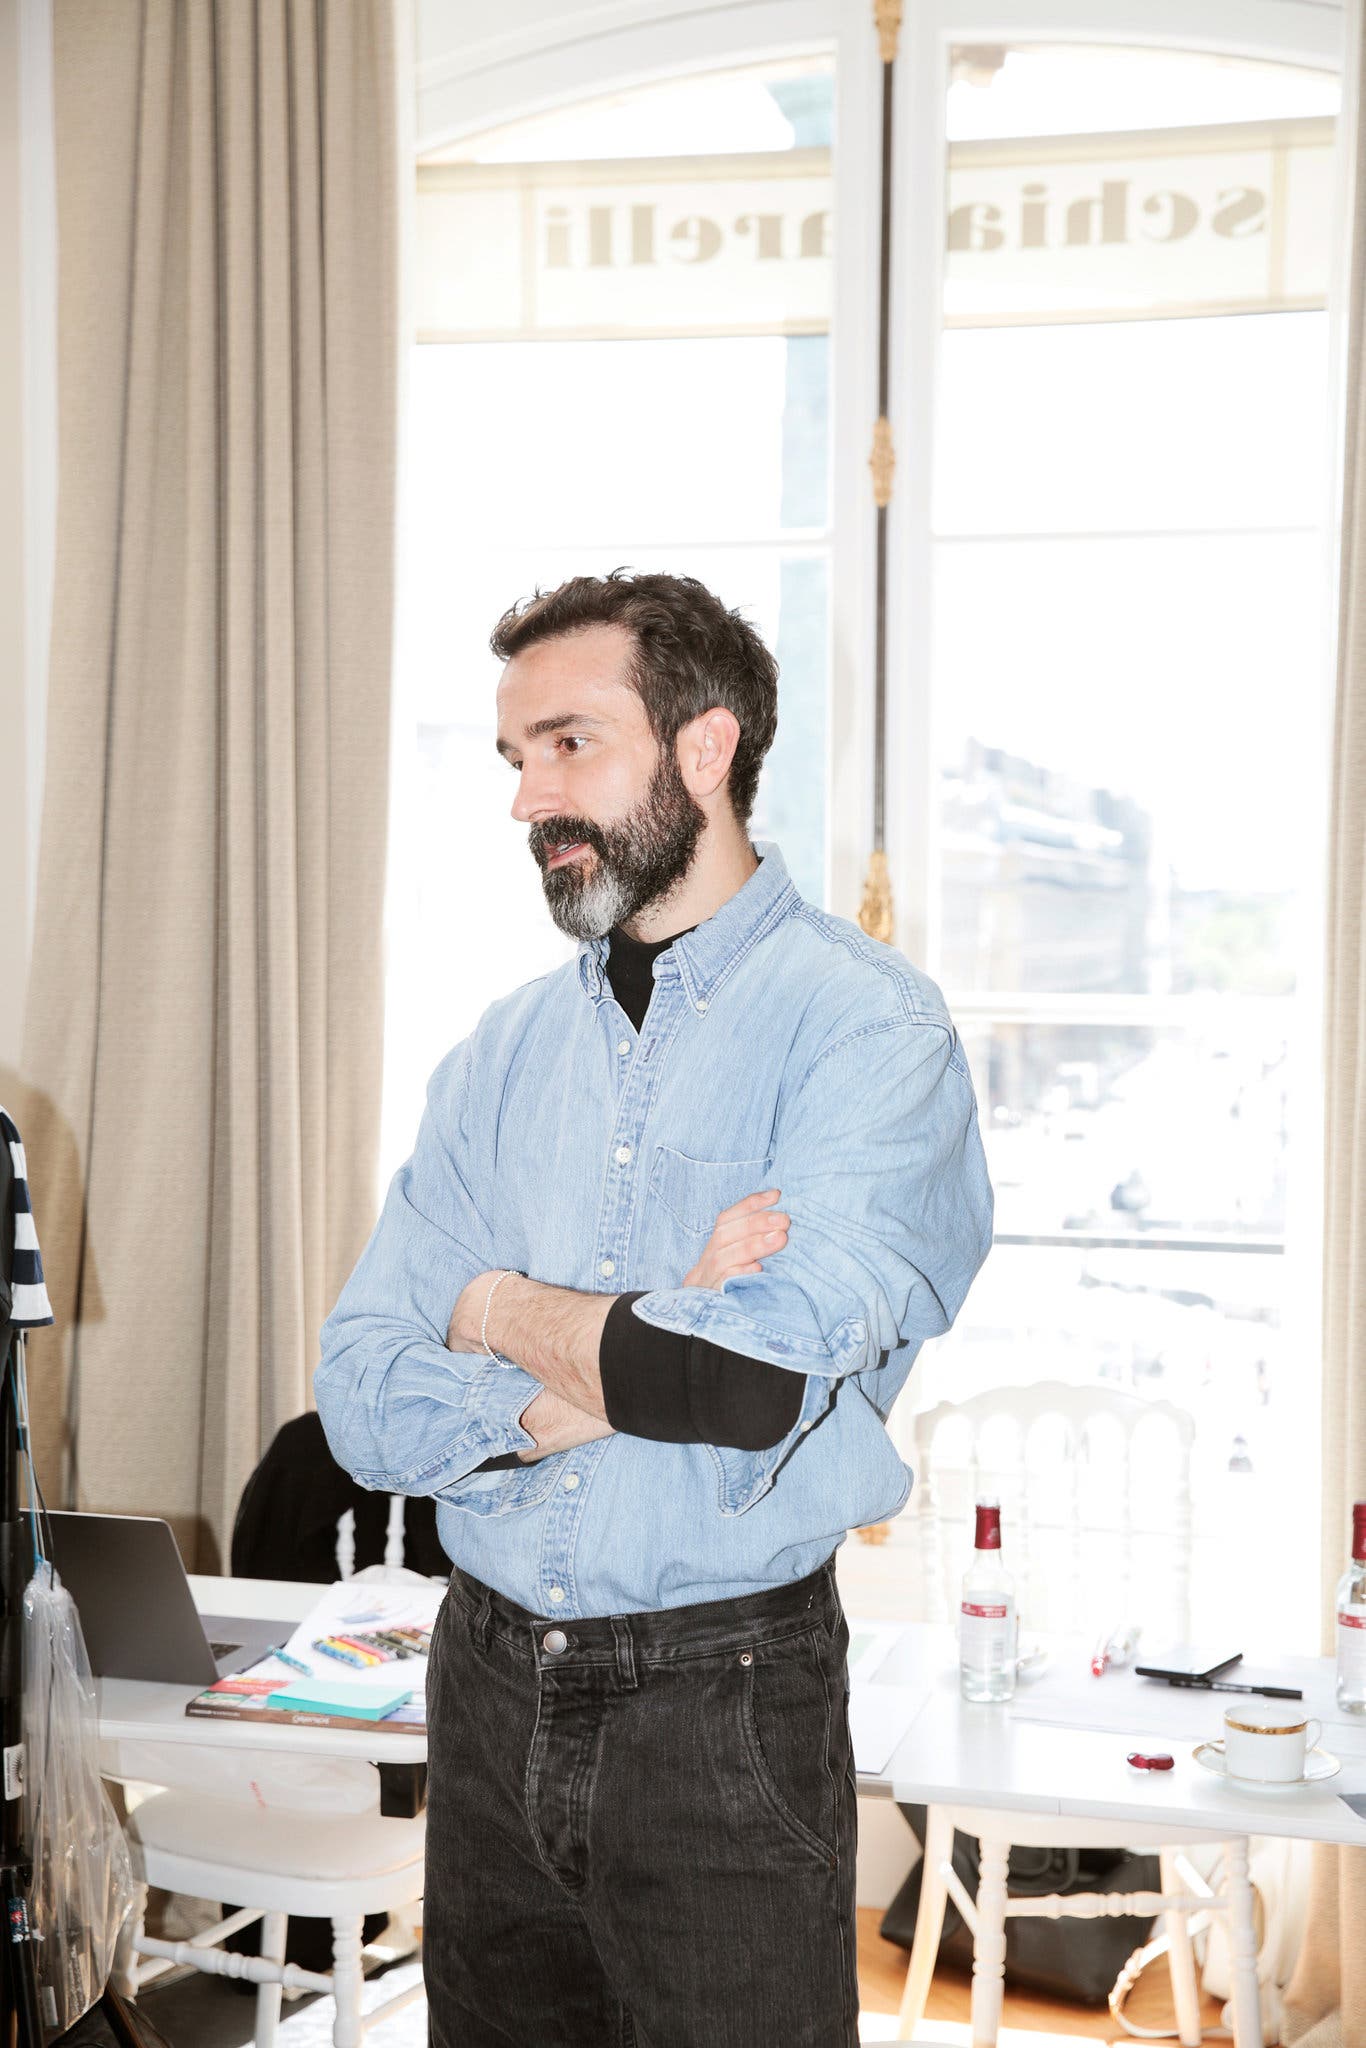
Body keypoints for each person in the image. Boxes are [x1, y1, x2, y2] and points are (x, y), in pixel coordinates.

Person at [314, 568, 994, 2047]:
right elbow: (359, 1402)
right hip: (484, 1684)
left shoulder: (868, 1029)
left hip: (721, 1703)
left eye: (569, 745)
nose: (527, 801)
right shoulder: (499, 1054)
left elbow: (740, 1389)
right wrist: (649, 1323)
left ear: (705, 746)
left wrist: (488, 1304)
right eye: (516, 757)